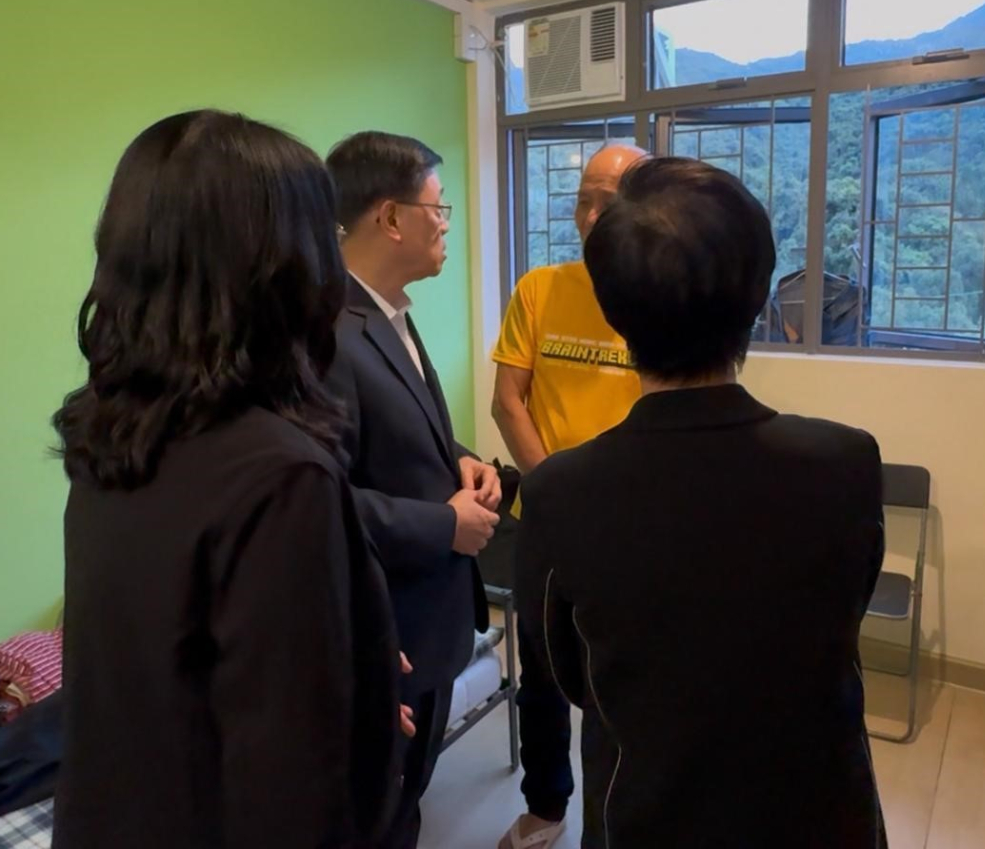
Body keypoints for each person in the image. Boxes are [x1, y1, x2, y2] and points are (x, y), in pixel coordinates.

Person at [52, 111, 403, 849]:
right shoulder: (280, 475)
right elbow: (290, 789)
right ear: (285, 266)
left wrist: (347, 659)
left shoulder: (113, 430)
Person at [517, 157, 888, 849]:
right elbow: (845, 609)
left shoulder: (559, 494)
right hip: (820, 813)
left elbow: (570, 673)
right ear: (759, 295)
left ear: (612, 307)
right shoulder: (846, 462)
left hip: (646, 813)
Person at [325, 131, 501, 849]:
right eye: (439, 208)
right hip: (384, 625)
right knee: (380, 814)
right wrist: (444, 526)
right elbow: (317, 500)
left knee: (407, 796)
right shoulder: (326, 336)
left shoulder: (386, 311)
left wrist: (463, 461)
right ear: (391, 217)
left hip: (428, 616)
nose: (447, 224)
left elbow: (403, 433)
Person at [490, 143, 645, 849]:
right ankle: (546, 806)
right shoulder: (540, 289)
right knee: (544, 679)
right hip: (547, 522)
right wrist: (555, 494)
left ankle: (616, 822)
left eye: (607, 203)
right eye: (583, 200)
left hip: (630, 528)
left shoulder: (657, 294)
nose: (589, 217)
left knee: (625, 685)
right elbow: (508, 401)